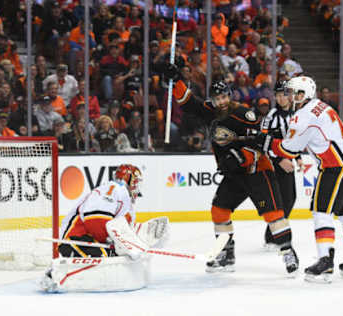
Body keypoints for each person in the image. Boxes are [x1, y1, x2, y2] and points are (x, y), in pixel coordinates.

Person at [167, 65, 299, 275]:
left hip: (257, 170)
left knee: (274, 214)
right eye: (217, 99)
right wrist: (176, 80)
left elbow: (259, 142)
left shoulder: (243, 114)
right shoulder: (210, 111)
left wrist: (239, 157)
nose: (221, 102)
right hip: (234, 175)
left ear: (229, 96)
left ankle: (287, 251)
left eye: (223, 98)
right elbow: (188, 103)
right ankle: (226, 254)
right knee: (219, 210)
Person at [253, 76, 343, 283]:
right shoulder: (319, 105)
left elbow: (289, 148)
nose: (288, 96)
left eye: (292, 92)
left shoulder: (303, 116)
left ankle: (325, 262)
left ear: (302, 95)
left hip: (338, 165)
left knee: (321, 211)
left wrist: (266, 141)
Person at [40, 164, 169, 292]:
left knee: (122, 259)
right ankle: (54, 276)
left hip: (93, 241)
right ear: (129, 180)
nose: (137, 188)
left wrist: (141, 239)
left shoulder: (127, 204)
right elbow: (95, 221)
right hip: (74, 239)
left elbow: (123, 232)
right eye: (136, 183)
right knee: (110, 257)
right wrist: (116, 244)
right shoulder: (113, 189)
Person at [260, 81, 303, 249]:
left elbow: (293, 141)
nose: (280, 98)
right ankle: (272, 237)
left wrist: (297, 157)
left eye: (284, 94)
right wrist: (279, 160)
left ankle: (274, 233)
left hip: (287, 162)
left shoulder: (295, 116)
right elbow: (263, 141)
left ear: (290, 96)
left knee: (289, 198)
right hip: (273, 163)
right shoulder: (271, 115)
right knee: (279, 200)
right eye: (277, 95)